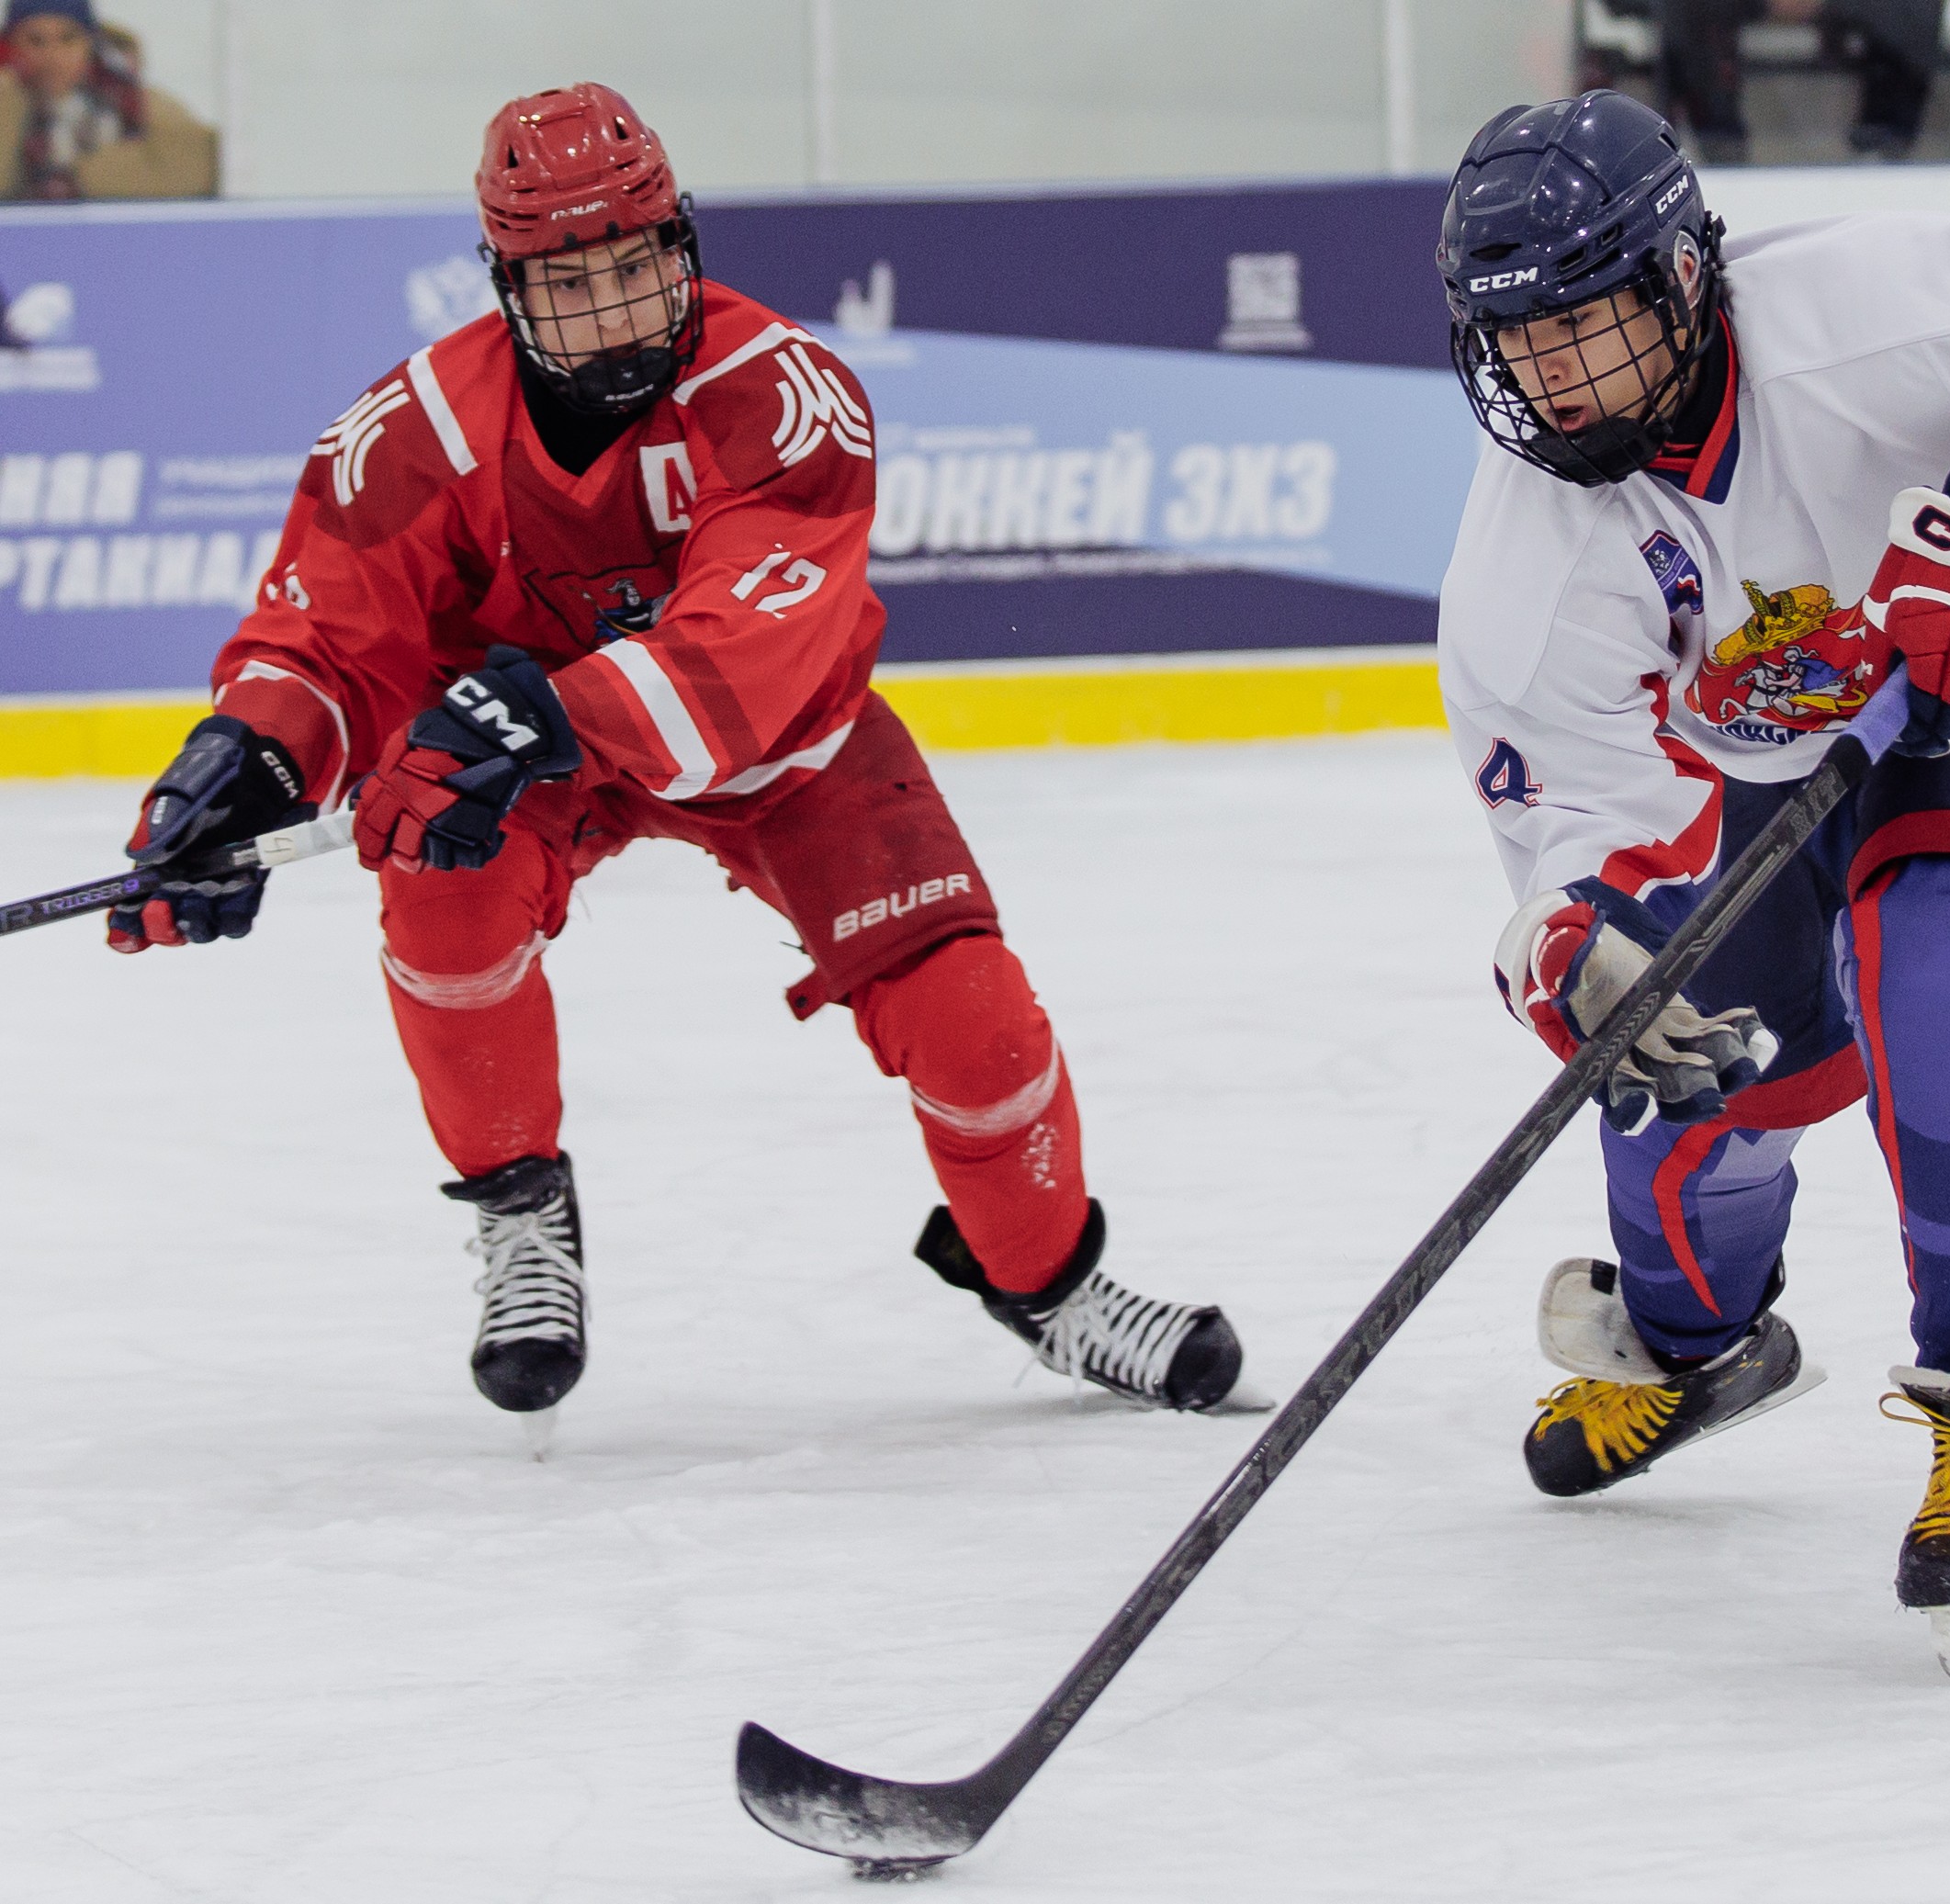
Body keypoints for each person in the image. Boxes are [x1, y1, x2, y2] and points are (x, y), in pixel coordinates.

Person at [107, 84, 1245, 1430]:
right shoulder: (413, 432)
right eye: (570, 283)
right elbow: (322, 634)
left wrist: (542, 711)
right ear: (507, 284)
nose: (615, 314)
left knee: (974, 1020)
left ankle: (1050, 1289)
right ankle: (520, 1210)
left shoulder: (783, 396)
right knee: (440, 898)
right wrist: (241, 765)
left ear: (681, 243)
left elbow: (747, 653)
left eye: (637, 269)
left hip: (778, 752)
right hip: (511, 761)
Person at [1433, 93, 1950, 1675]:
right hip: (1761, 771)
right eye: (1514, 343)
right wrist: (1580, 941)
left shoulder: (1869, 311)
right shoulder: (1517, 570)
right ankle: (1693, 1343)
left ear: (1683, 281)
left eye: (1582, 328)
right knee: (1676, 1055)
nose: (1547, 377)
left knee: (1929, 955)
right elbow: (1576, 833)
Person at [0, 0, 216, 201]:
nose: (52, 54)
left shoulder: (144, 106)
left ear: (90, 43)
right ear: (12, 46)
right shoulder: (9, 103)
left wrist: (95, 174)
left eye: (68, 38)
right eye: (36, 41)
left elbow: (194, 173)